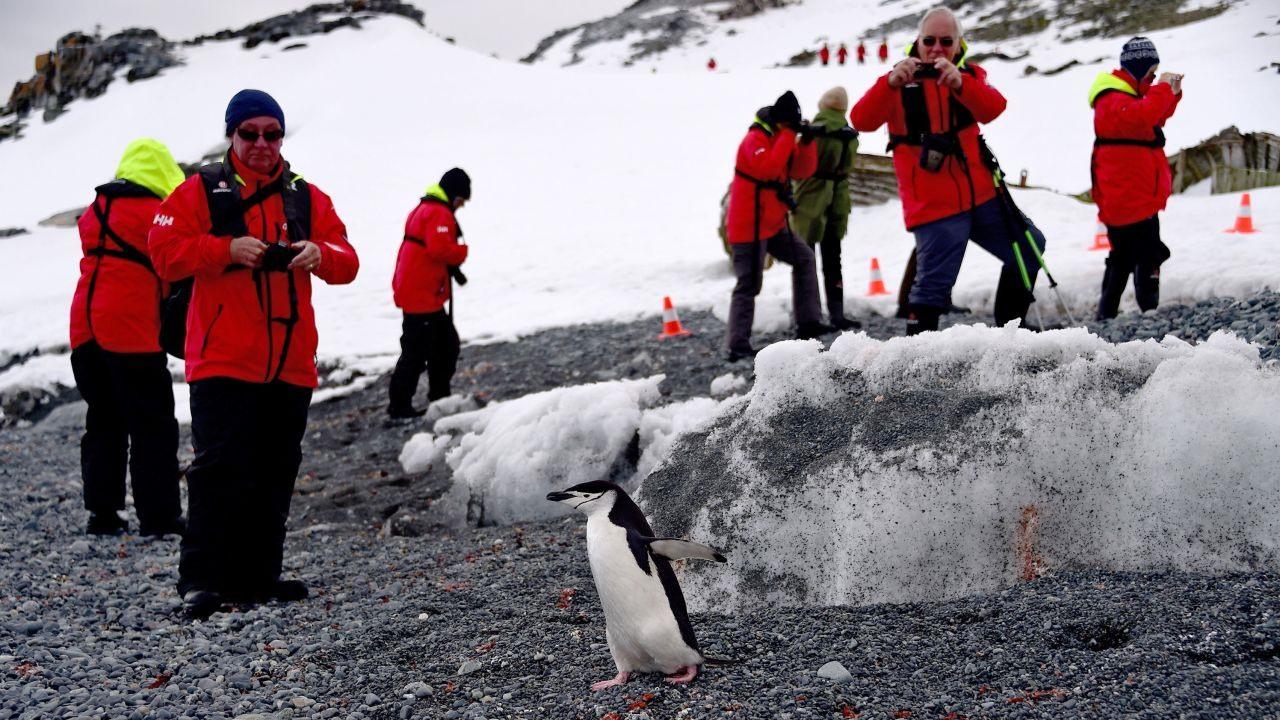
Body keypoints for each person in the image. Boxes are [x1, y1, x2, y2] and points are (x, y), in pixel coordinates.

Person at [149, 89, 360, 618]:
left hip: (290, 360)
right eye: (251, 133)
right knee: (219, 468)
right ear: (231, 135)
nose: (262, 143)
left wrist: (321, 253)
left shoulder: (305, 196)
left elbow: (348, 260)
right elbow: (163, 253)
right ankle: (201, 579)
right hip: (222, 357)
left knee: (275, 468)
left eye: (272, 132)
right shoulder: (199, 190)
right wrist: (224, 250)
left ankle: (258, 577)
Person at [850, 7, 1046, 334]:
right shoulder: (898, 80)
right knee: (933, 285)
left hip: (981, 194)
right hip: (933, 203)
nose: (937, 48)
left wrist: (961, 84)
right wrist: (889, 84)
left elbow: (994, 108)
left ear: (958, 44)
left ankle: (1013, 328)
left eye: (946, 41)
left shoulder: (970, 75)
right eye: (929, 40)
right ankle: (916, 353)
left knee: (1029, 246)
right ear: (918, 41)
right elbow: (861, 121)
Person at [69, 138, 186, 537]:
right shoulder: (158, 214)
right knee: (153, 423)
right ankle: (160, 517)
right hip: (130, 331)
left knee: (103, 418)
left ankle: (102, 514)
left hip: (84, 329)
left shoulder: (95, 210)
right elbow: (171, 270)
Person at [724, 90, 830, 361]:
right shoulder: (754, 140)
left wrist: (806, 143)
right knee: (749, 283)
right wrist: (787, 135)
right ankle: (737, 344)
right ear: (780, 122)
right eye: (789, 126)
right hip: (748, 227)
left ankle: (809, 322)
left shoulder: (778, 136)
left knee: (804, 258)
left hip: (772, 224)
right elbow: (770, 169)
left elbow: (801, 170)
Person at [1089, 37, 1182, 319]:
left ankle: (1109, 314)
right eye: (1151, 73)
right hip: (1127, 198)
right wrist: (1163, 89)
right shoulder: (1111, 99)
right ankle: (1145, 310)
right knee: (1145, 254)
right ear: (1140, 69)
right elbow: (1144, 115)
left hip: (1138, 197)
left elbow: (1154, 118)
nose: (1154, 78)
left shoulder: (1128, 98)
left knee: (1127, 255)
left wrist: (1171, 93)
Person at [388, 168, 471, 418]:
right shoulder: (437, 212)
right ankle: (401, 408)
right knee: (420, 351)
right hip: (421, 296)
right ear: (453, 194)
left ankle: (437, 399)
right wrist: (462, 251)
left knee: (443, 346)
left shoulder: (426, 208)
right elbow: (439, 250)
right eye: (460, 200)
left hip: (420, 292)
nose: (461, 206)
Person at [790, 87, 861, 331]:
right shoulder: (850, 134)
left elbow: (799, 163)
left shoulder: (816, 130)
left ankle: (809, 317)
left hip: (812, 197)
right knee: (833, 258)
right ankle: (837, 313)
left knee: (804, 259)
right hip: (839, 198)